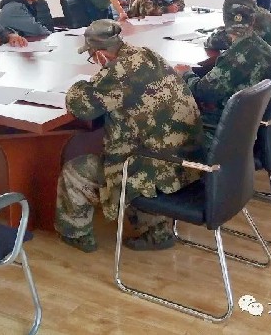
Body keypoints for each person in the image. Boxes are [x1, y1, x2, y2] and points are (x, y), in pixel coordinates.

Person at [54, 19, 203, 253]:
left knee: (75, 170)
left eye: (92, 57)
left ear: (100, 54)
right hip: (188, 160)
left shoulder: (118, 72)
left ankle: (76, 234)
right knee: (137, 147)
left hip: (156, 168)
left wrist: (80, 85)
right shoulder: (147, 55)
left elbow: (81, 107)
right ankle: (157, 229)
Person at [176, 0, 271, 150]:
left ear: (225, 20)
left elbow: (202, 91)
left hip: (222, 133)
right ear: (253, 19)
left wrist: (186, 73)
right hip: (249, 130)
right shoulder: (265, 48)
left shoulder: (236, 56)